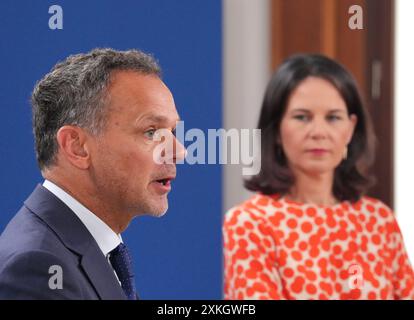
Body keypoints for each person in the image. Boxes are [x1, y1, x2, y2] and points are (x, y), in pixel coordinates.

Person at [223, 54, 414, 300]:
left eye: (333, 117)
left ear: (351, 128)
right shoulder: (248, 224)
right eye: (302, 117)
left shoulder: (379, 220)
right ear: (277, 129)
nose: (319, 132)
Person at [0, 48, 186, 299]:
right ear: (76, 147)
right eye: (151, 132)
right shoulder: (37, 269)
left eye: (172, 131)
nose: (179, 151)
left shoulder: (85, 249)